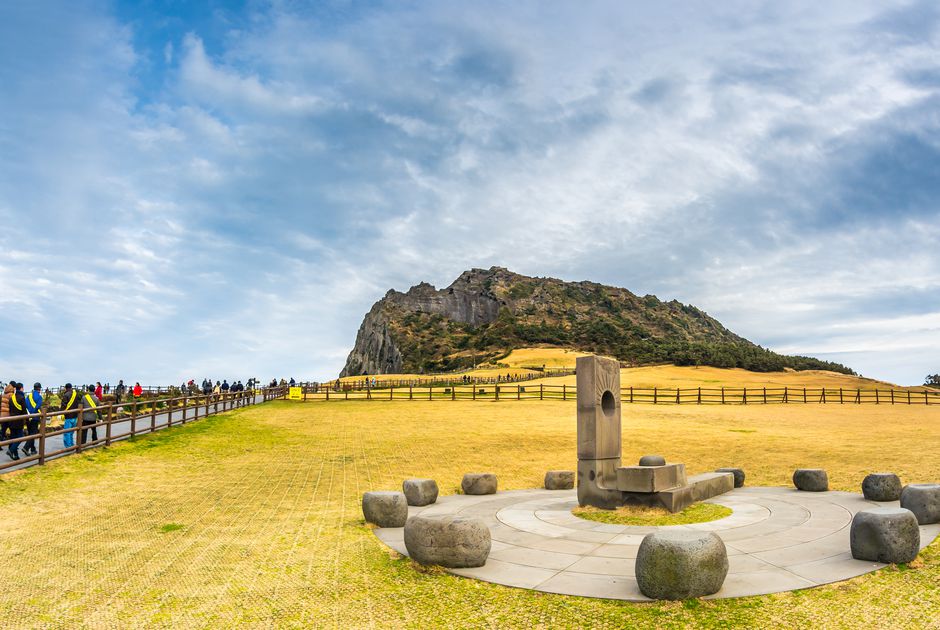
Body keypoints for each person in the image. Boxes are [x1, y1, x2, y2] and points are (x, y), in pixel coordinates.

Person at [5, 383, 27, 460]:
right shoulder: (22, 398)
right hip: (18, 421)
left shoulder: (12, 398)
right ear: (21, 388)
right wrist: (27, 419)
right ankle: (11, 450)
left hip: (11, 420)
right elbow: (24, 410)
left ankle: (16, 455)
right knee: (20, 437)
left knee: (14, 437)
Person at [22, 382, 43, 456]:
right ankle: (26, 447)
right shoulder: (39, 397)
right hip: (34, 417)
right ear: (39, 389)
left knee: (30, 433)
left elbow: (25, 405)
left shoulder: (28, 396)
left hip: (28, 417)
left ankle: (33, 449)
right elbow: (37, 407)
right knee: (33, 434)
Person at [60, 383, 81, 448]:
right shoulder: (76, 394)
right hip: (75, 415)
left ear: (66, 388)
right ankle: (72, 444)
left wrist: (61, 412)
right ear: (71, 387)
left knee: (67, 432)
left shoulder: (66, 395)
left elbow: (63, 405)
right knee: (71, 432)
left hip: (68, 416)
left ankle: (68, 446)